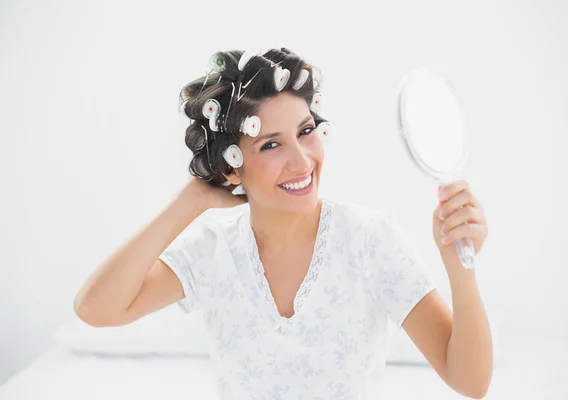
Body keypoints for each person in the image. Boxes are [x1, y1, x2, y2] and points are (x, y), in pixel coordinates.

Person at [73, 48, 493, 399]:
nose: (301, 161)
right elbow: (95, 309)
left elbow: (470, 381)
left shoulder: (369, 239)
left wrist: (460, 267)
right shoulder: (212, 249)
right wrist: (192, 199)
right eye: (270, 144)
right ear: (230, 165)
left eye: (306, 131)